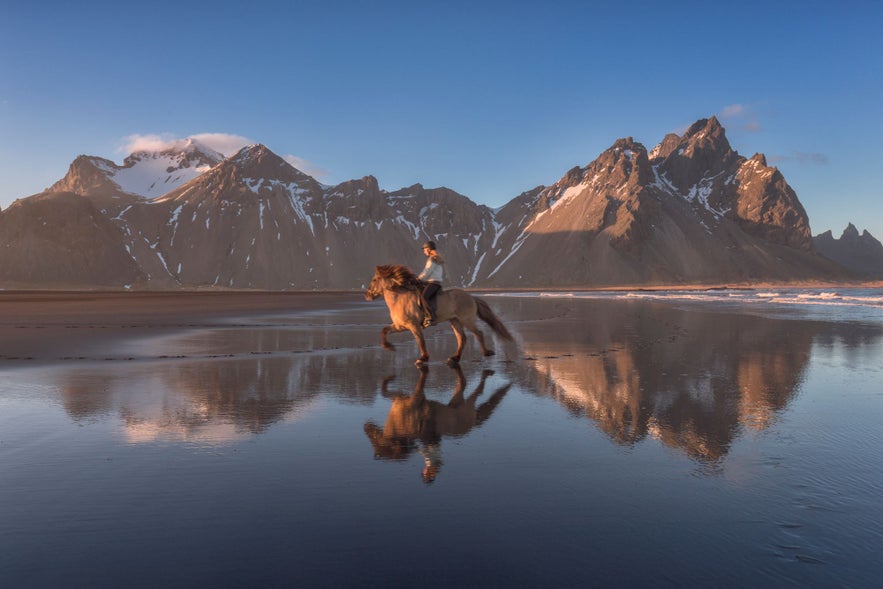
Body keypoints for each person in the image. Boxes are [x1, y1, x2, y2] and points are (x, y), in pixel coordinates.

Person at [417, 240, 444, 327]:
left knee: (424, 297)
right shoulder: (436, 258)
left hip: (433, 283)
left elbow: (427, 272)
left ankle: (431, 317)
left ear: (428, 249)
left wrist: (418, 278)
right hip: (434, 282)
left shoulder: (432, 259)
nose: (424, 252)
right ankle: (422, 317)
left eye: (424, 250)